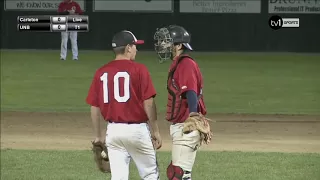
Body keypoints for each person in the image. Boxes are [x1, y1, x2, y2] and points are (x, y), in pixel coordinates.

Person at [86, 30, 162, 180]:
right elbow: (149, 103)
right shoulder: (140, 69)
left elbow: (95, 107)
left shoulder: (101, 72)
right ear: (128, 48)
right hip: (137, 130)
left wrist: (98, 136)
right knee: (150, 175)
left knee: (119, 177)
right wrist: (156, 131)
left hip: (113, 132)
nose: (136, 49)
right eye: (135, 46)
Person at [154, 25, 212, 180]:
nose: (162, 45)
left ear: (178, 45)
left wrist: (193, 115)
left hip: (187, 126)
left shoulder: (186, 64)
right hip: (182, 126)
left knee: (179, 174)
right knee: (177, 173)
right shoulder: (179, 63)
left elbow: (191, 91)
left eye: (167, 42)